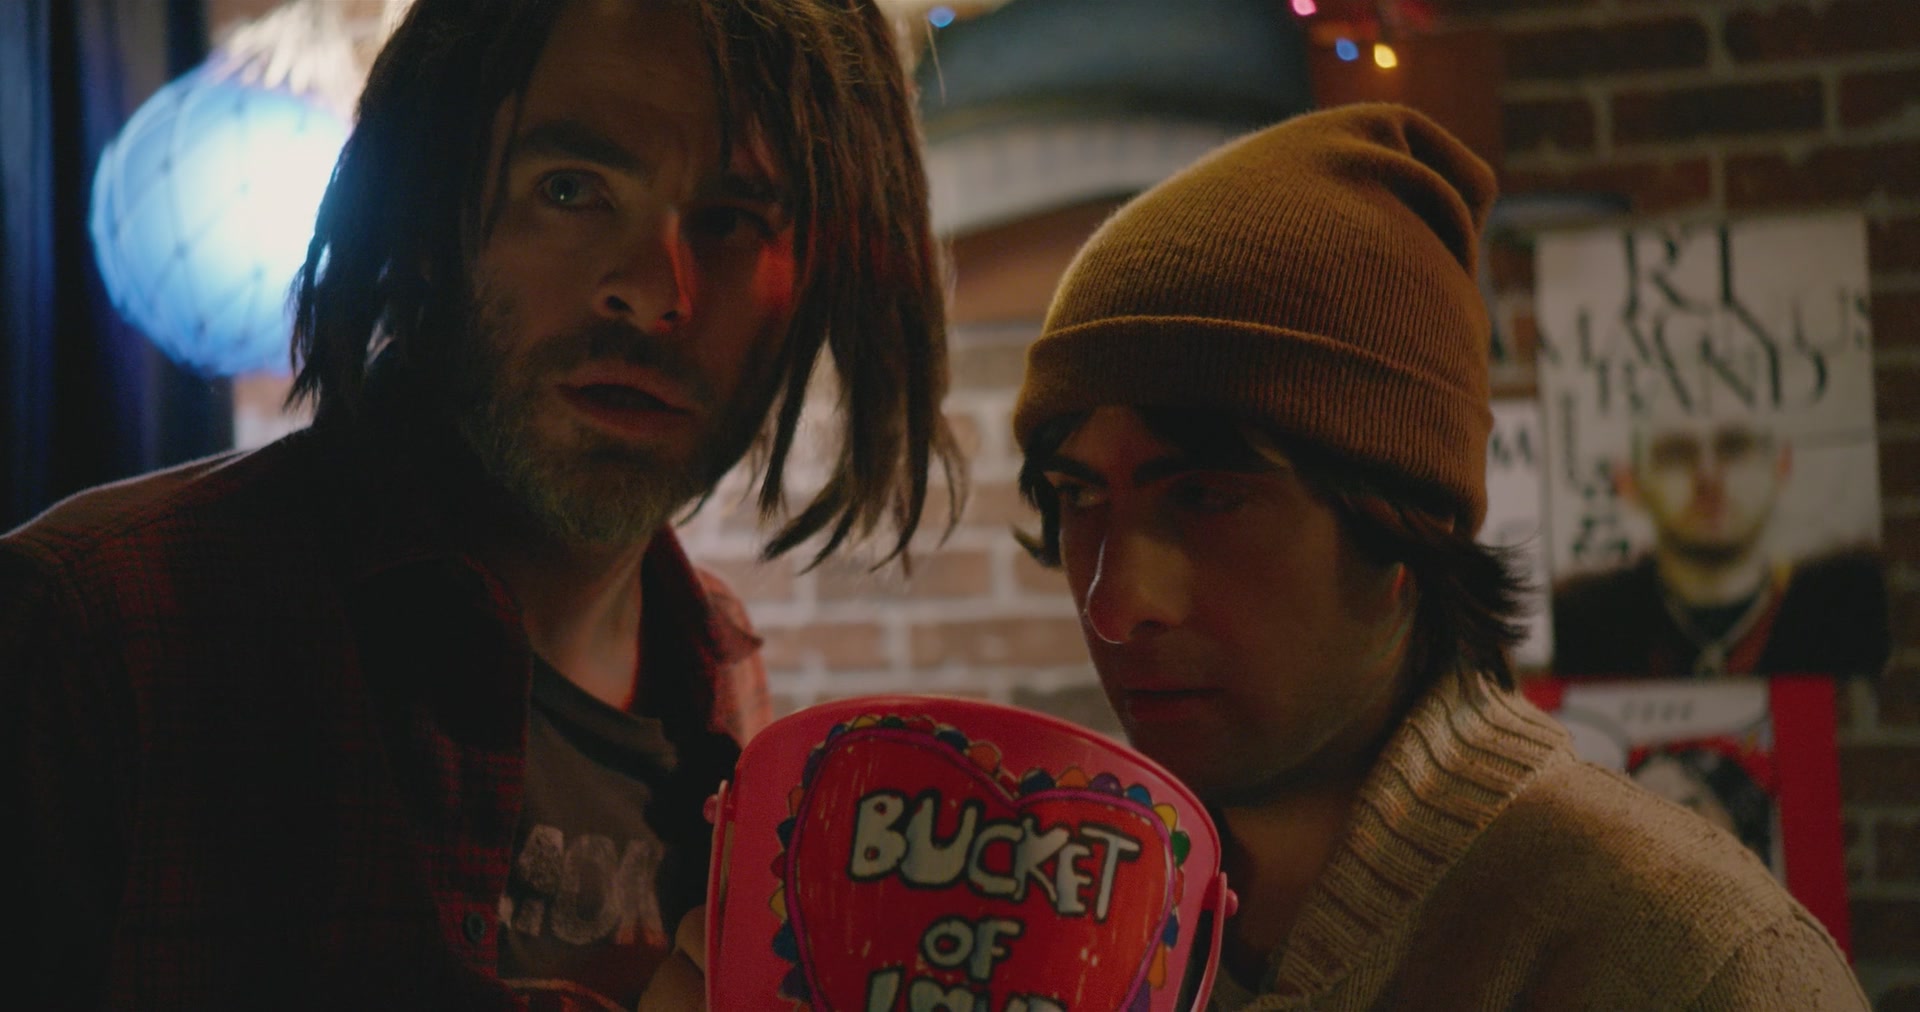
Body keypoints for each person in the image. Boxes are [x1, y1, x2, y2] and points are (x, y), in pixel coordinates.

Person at [0, 0, 958, 1007]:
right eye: (570, 189)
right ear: (426, 212)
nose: (654, 291)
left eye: (731, 218)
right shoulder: (92, 631)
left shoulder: (719, 678)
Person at [1011, 103, 1867, 1009]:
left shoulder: (1690, 968)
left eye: (1207, 497)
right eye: (1078, 496)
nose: (1115, 603)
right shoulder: (1055, 927)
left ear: (1404, 523)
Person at [1552, 407, 1888, 679]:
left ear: (1781, 466)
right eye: (1676, 453)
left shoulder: (1850, 608)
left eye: (1735, 447)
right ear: (1630, 482)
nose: (1709, 476)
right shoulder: (1581, 626)